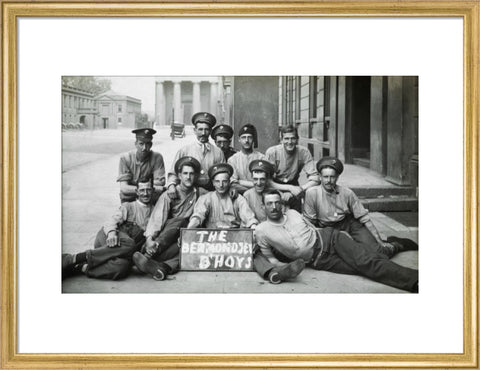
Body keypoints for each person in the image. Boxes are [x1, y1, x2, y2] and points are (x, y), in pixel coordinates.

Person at [255, 190, 418, 292]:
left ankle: (415, 280)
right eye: (269, 203)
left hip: (330, 239)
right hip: (320, 261)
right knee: (363, 267)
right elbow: (271, 259)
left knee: (366, 262)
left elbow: (313, 228)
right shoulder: (261, 230)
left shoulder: (293, 214)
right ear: (263, 207)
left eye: (277, 202)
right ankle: (394, 245)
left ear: (282, 204)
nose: (274, 207)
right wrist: (283, 267)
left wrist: (339, 235)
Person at [62, 177, 155, 280]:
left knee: (121, 267)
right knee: (130, 243)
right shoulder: (128, 206)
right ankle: (76, 258)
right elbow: (112, 221)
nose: (145, 193)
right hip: (108, 238)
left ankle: (80, 267)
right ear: (137, 192)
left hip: (120, 251)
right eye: (142, 190)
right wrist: (111, 233)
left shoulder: (156, 211)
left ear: (153, 190)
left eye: (148, 190)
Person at [132, 156, 206, 281]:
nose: (188, 177)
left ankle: (161, 268)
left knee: (189, 250)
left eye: (192, 174)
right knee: (180, 221)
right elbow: (157, 218)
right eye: (185, 173)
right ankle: (149, 252)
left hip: (182, 239)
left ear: (197, 175)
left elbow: (217, 194)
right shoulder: (169, 194)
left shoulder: (201, 192)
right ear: (179, 175)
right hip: (165, 238)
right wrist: (150, 239)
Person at [243, 159, 306, 284]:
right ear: (251, 179)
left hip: (277, 238)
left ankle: (282, 266)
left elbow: (286, 218)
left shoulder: (276, 195)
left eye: (262, 179)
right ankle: (275, 272)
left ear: (267, 179)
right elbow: (246, 219)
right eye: (255, 179)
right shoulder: (247, 195)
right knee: (255, 254)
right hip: (259, 239)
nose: (259, 183)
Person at [303, 156, 387, 248]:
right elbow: (309, 223)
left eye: (332, 177)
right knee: (347, 253)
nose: (329, 181)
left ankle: (395, 245)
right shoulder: (312, 193)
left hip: (348, 224)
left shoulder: (347, 193)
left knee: (376, 249)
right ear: (320, 177)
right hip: (326, 229)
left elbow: (365, 218)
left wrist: (380, 241)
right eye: (325, 177)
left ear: (337, 177)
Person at [166, 112, 225, 195]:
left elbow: (223, 174)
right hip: (189, 192)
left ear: (210, 131)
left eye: (206, 129)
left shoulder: (218, 152)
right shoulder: (185, 150)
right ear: (195, 130)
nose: (203, 133)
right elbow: (173, 173)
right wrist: (171, 186)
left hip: (211, 192)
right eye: (200, 129)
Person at [187, 163, 258, 229]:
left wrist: (253, 226)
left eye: (224, 181)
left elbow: (248, 217)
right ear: (213, 183)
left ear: (229, 182)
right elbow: (198, 215)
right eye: (217, 181)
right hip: (211, 237)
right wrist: (190, 228)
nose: (221, 185)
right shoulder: (206, 198)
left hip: (234, 237)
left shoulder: (238, 198)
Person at [265, 125, 319, 210]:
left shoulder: (304, 152)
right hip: (276, 185)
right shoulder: (272, 152)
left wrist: (299, 189)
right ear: (281, 140)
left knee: (297, 213)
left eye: (293, 138)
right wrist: (289, 189)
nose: (289, 142)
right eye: (286, 139)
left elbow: (315, 179)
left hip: (294, 184)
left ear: (297, 139)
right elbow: (267, 181)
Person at [117, 128, 166, 203]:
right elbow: (124, 188)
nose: (144, 148)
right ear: (136, 144)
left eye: (147, 144)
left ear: (151, 145)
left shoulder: (157, 157)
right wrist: (149, 187)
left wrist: (135, 186)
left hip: (149, 198)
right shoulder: (126, 158)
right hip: (130, 198)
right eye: (141, 144)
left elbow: (160, 182)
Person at [228, 124, 266, 194]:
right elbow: (233, 184)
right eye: (243, 137)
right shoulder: (233, 160)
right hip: (239, 195)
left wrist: (240, 181)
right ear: (239, 139)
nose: (246, 140)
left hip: (259, 195)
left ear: (253, 139)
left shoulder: (261, 158)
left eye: (249, 137)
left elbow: (264, 182)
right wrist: (252, 190)